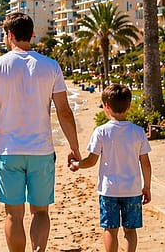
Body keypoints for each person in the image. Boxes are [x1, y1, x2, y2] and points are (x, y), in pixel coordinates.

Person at [0, 12, 81, 252]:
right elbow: (64, 111)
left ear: (9, 35)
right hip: (41, 151)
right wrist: (74, 147)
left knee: (13, 214)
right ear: (32, 34)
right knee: (40, 211)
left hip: (8, 152)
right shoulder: (50, 66)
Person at [68, 83, 152, 252]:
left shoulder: (101, 132)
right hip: (132, 190)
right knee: (130, 231)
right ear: (129, 106)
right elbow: (145, 162)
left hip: (109, 190)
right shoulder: (138, 132)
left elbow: (91, 161)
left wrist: (77, 164)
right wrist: (147, 187)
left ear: (106, 107)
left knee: (110, 229)